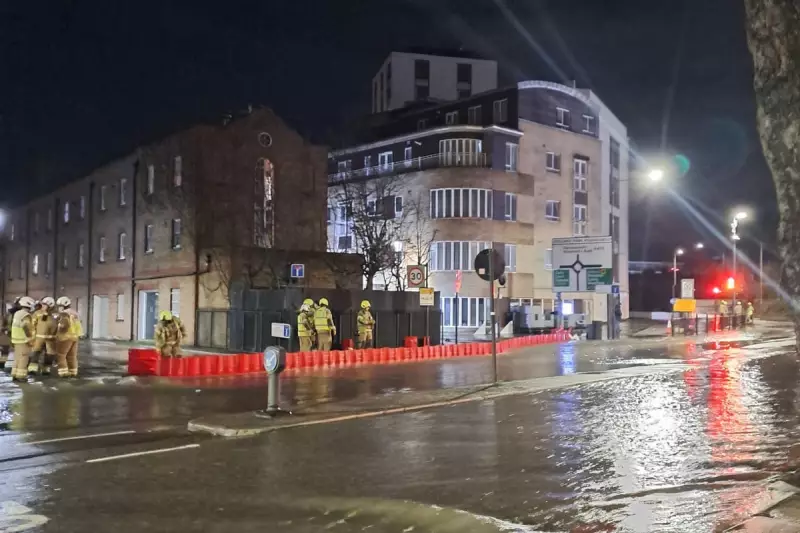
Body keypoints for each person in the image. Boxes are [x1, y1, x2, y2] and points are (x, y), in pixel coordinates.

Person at [54, 296, 82, 378]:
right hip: (74, 337)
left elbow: (63, 326)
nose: (59, 308)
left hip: (65, 338)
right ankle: (73, 372)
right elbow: (78, 326)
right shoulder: (75, 313)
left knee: (61, 355)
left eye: (59, 306)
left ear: (63, 306)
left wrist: (58, 330)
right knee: (72, 356)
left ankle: (64, 373)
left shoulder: (64, 314)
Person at [10, 296, 36, 382]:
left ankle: (15, 374)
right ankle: (21, 376)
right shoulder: (26, 315)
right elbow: (26, 327)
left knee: (17, 358)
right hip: (23, 340)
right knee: (23, 358)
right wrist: (30, 338)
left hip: (16, 339)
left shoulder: (17, 313)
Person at [29, 297, 56, 375]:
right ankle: (32, 369)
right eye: (42, 304)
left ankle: (46, 370)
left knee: (49, 355)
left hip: (51, 340)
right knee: (35, 353)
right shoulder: (37, 313)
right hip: (39, 338)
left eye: (44, 305)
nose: (42, 306)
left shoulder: (55, 315)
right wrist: (32, 337)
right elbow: (32, 325)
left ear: (50, 306)